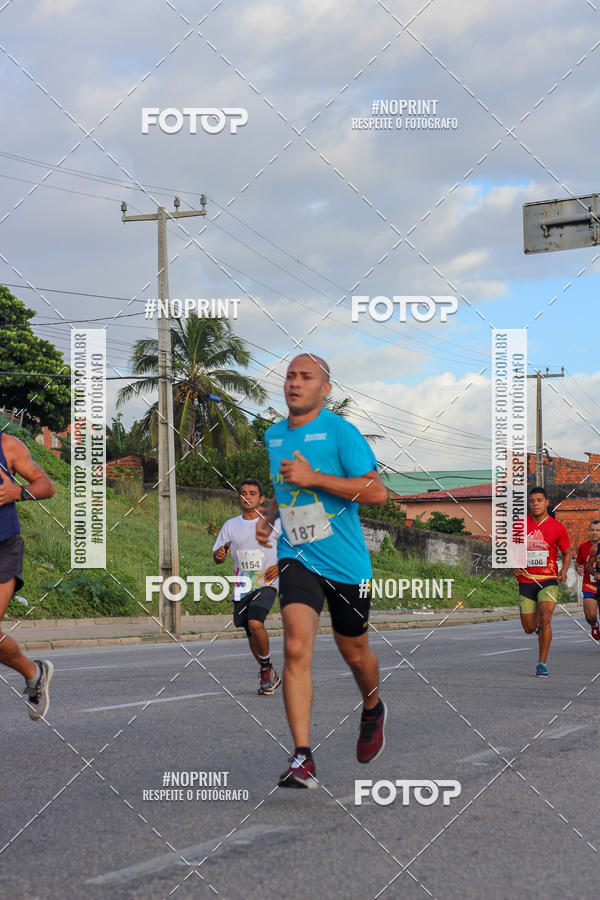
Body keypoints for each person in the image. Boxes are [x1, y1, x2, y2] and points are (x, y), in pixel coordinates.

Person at [256, 353, 388, 789]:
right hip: (298, 553)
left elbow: (376, 492)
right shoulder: (274, 435)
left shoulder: (341, 432)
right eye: (290, 375)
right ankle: (303, 756)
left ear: (324, 388)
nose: (295, 382)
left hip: (347, 563)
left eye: (306, 377)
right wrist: (270, 516)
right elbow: (285, 484)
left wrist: (316, 479)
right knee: (295, 645)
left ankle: (372, 707)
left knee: (355, 654)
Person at [0, 433, 55, 719]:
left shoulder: (8, 445)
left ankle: (34, 674)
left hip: (4, 547)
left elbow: (46, 485)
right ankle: (34, 674)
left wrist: (17, 492)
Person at [213, 479, 281, 695]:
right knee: (250, 631)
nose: (247, 496)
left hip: (267, 583)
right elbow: (218, 556)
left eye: (252, 493)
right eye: (243, 493)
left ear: (261, 499)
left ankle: (267, 668)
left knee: (255, 622)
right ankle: (267, 671)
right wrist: (219, 554)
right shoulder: (230, 525)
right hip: (241, 584)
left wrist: (281, 566)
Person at [514, 487, 572, 676]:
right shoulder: (519, 525)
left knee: (546, 618)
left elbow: (567, 553)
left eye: (539, 500)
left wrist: (564, 569)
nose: (536, 504)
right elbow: (509, 549)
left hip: (548, 580)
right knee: (529, 628)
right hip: (526, 580)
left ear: (547, 502)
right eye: (532, 501)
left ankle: (542, 663)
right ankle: (539, 627)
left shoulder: (557, 527)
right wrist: (513, 564)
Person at [575, 520, 600, 640]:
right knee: (590, 616)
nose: (595, 533)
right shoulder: (583, 547)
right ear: (589, 532)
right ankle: (595, 625)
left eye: (598, 530)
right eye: (593, 530)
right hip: (589, 585)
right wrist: (579, 568)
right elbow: (579, 563)